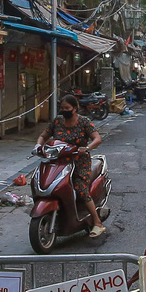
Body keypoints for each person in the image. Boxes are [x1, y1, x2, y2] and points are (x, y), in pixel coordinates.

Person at [39, 95, 105, 235]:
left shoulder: (84, 122)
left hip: (79, 161)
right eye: (62, 108)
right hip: (58, 161)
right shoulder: (57, 121)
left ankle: (97, 222)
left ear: (75, 109)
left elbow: (97, 139)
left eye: (67, 108)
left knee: (80, 189)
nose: (64, 111)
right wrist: (38, 146)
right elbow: (43, 136)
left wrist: (87, 148)